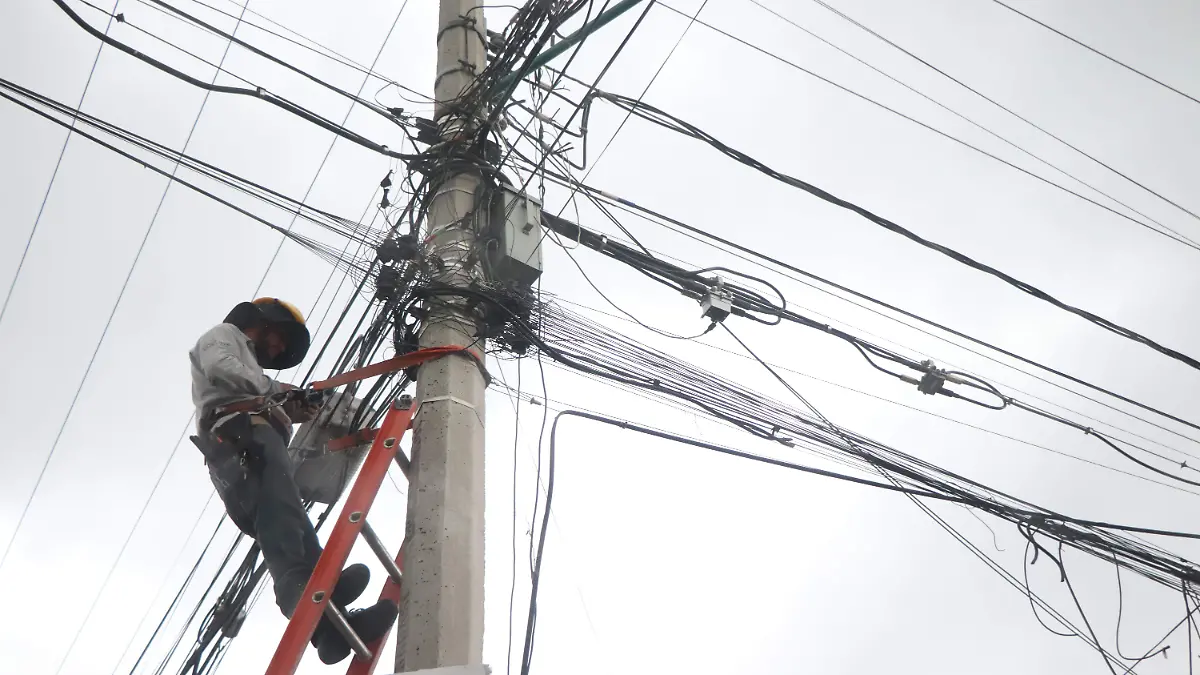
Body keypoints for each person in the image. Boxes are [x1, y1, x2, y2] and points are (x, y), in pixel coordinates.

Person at [189, 297, 397, 665]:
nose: (277, 349)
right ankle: (305, 599)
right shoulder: (225, 336)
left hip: (252, 442)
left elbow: (258, 394)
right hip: (241, 436)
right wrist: (277, 389)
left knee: (296, 528)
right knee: (284, 526)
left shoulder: (252, 376)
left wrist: (294, 407)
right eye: (280, 339)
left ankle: (331, 628)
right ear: (266, 321)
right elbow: (221, 368)